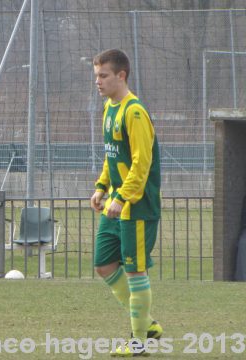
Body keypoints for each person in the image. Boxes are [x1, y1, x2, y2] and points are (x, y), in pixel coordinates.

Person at [89, 49, 163, 356]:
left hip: (137, 206)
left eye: (104, 75)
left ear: (122, 75)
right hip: (116, 204)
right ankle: (148, 325)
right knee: (104, 265)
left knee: (135, 272)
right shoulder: (109, 108)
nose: (98, 82)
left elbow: (140, 163)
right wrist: (102, 186)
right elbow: (112, 155)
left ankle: (138, 342)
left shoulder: (134, 112)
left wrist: (121, 196)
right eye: (96, 76)